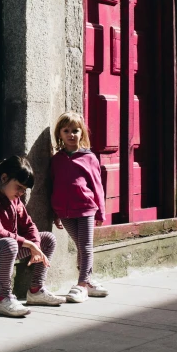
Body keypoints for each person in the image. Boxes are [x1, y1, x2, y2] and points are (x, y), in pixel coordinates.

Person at [0, 156, 66, 317]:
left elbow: (29, 225)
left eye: (24, 190)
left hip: (5, 248)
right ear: (4, 178)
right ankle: (4, 298)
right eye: (18, 187)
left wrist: (34, 243)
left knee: (48, 239)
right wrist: (29, 245)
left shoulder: (14, 200)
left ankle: (36, 290)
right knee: (10, 244)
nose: (20, 193)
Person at [51, 111, 110, 303]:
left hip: (85, 208)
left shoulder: (89, 157)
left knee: (85, 247)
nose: (71, 134)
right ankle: (89, 281)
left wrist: (101, 211)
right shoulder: (56, 160)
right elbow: (53, 184)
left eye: (75, 130)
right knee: (81, 246)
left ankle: (82, 284)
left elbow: (97, 186)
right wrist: (56, 212)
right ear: (59, 134)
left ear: (82, 133)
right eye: (66, 130)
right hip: (65, 211)